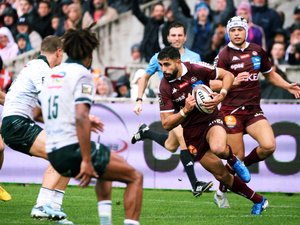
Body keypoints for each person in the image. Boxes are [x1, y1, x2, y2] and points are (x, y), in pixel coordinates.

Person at [38, 28, 143, 225]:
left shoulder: (53, 74)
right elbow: (80, 116)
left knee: (106, 167)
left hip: (53, 152)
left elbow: (37, 112)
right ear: (89, 53)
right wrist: (86, 160)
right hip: (72, 149)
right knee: (135, 177)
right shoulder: (83, 74)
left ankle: (105, 222)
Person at [157, 45, 267, 215]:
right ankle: (259, 200)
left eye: (167, 64)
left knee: (218, 148)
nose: (163, 69)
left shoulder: (196, 68)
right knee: (222, 176)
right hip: (191, 133)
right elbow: (166, 124)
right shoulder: (164, 87)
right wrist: (184, 111)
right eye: (161, 65)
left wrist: (222, 95)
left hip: (211, 120)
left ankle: (234, 160)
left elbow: (227, 75)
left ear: (178, 62)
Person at [211, 16, 300, 208]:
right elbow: (213, 82)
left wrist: (288, 86)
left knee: (269, 146)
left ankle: (234, 174)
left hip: (253, 110)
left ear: (246, 31)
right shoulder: (224, 55)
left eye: (239, 30)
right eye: (233, 30)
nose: (236, 33)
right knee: (238, 155)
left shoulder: (258, 51)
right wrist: (233, 80)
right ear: (229, 33)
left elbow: (270, 74)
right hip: (231, 111)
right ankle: (221, 190)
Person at [132, 22, 212, 197]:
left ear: (185, 37)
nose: (176, 38)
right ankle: (195, 184)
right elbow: (145, 77)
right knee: (184, 140)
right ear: (168, 37)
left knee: (170, 145)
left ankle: (146, 133)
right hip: (172, 107)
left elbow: (204, 81)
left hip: (193, 107)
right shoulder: (158, 57)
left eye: (179, 35)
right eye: (173, 35)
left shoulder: (195, 57)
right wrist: (139, 99)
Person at [0, 36, 73, 224]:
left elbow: (38, 108)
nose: (61, 56)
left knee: (71, 156)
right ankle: (42, 206)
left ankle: (55, 208)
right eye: (62, 53)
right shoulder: (41, 68)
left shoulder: (33, 66)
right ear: (58, 51)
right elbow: (48, 98)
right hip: (17, 123)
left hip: (15, 123)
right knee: (62, 152)